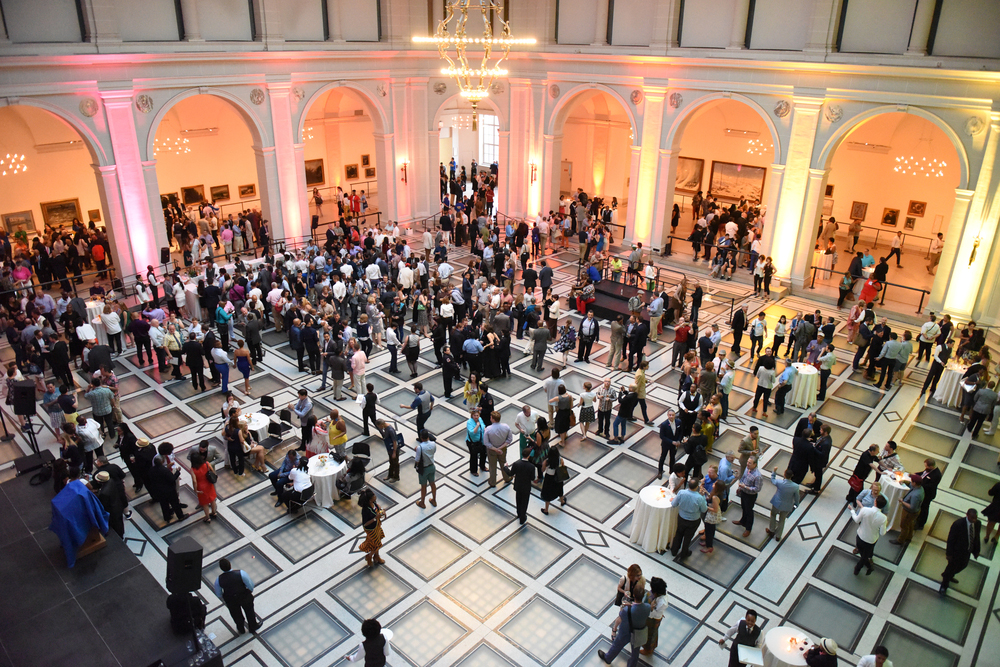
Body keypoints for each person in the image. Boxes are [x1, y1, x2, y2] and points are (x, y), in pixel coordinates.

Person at [597, 596, 651, 667]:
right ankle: (631, 665)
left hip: (626, 631)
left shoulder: (626, 610)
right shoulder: (647, 607)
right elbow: (639, 609)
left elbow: (621, 615)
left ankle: (608, 658)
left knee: (617, 644)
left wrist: (624, 608)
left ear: (634, 596)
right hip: (638, 633)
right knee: (635, 652)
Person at [213, 558, 260, 635]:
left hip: (231, 600)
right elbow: (250, 585)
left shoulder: (218, 580)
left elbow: (218, 593)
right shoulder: (241, 573)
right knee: (249, 611)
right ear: (230, 564)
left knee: (236, 615)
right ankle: (253, 626)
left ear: (221, 568)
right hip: (244, 596)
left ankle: (241, 629)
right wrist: (249, 591)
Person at [940, 509, 982, 594]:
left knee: (963, 565)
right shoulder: (958, 524)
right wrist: (949, 554)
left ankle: (949, 575)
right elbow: (951, 540)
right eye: (972, 518)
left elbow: (976, 537)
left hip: (967, 550)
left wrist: (976, 551)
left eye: (975, 518)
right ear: (967, 515)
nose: (974, 520)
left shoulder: (978, 523)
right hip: (956, 551)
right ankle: (944, 586)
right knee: (951, 568)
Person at [670, 478, 708, 559]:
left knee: (678, 534)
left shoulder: (681, 493)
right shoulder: (699, 498)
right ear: (697, 487)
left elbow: (673, 504)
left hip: (681, 518)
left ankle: (674, 550)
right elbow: (704, 509)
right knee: (688, 537)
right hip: (693, 521)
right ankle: (684, 553)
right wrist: (703, 496)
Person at [851, 495, 888, 575]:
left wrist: (852, 511)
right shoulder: (883, 518)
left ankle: (866, 566)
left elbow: (857, 520)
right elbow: (882, 533)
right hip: (871, 540)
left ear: (875, 502)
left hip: (861, 536)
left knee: (861, 551)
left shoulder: (865, 510)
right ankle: (859, 568)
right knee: (865, 555)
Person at [767, 467, 800, 542]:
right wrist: (796, 504)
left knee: (773, 515)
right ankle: (778, 536)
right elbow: (797, 497)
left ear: (784, 474)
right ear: (792, 476)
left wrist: (774, 472)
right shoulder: (795, 486)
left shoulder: (779, 482)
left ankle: (771, 530)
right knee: (782, 520)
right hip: (787, 505)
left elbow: (773, 480)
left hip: (777, 503)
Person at [891, 475, 923, 547]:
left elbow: (912, 507)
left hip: (909, 512)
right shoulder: (919, 488)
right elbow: (910, 485)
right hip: (914, 512)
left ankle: (900, 540)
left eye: (911, 482)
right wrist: (905, 481)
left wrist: (902, 501)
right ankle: (909, 537)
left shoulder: (916, 495)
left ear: (914, 483)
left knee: (904, 525)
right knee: (910, 524)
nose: (911, 483)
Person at [733, 456, 761, 537]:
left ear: (755, 464)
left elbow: (757, 489)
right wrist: (740, 487)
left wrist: (745, 487)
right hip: (744, 492)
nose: (747, 464)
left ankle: (748, 528)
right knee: (743, 507)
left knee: (749, 511)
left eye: (750, 463)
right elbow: (743, 478)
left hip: (750, 496)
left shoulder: (757, 476)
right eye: (748, 462)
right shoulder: (747, 469)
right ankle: (742, 521)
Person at [508, 444, 536, 524]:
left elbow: (511, 473)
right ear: (528, 456)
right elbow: (532, 478)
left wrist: (505, 468)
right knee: (524, 502)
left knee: (518, 500)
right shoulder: (531, 466)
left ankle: (519, 513)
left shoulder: (516, 464)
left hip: (518, 485)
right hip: (526, 487)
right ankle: (522, 517)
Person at [358, 488, 386, 568]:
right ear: (370, 500)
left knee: (376, 542)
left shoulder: (374, 503)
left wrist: (381, 510)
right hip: (370, 529)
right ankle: (369, 556)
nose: (375, 496)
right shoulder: (365, 510)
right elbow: (365, 524)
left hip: (376, 526)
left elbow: (378, 507)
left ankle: (376, 556)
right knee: (377, 544)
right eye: (373, 495)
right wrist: (375, 518)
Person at [914, 457, 942, 530]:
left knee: (924, 508)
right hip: (923, 491)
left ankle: (921, 524)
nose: (925, 468)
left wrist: (919, 484)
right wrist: (915, 475)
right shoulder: (928, 470)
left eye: (926, 466)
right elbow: (923, 474)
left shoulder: (937, 475)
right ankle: (917, 519)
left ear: (931, 466)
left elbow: (931, 486)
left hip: (928, 494)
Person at [189, 452, 218, 523]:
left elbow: (194, 481)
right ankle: (214, 512)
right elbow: (212, 471)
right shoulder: (206, 464)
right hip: (209, 484)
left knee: (205, 503)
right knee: (212, 499)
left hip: (201, 487)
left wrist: (195, 490)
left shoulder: (192, 469)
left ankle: (207, 517)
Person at [540, 440, 566, 514]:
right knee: (560, 490)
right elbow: (562, 466)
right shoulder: (560, 460)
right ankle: (562, 501)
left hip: (549, 478)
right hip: (558, 477)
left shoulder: (547, 461)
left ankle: (546, 509)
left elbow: (542, 470)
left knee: (548, 493)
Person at [414, 429, 437, 508]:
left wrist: (416, 450)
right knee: (432, 483)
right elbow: (433, 452)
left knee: (423, 486)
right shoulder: (433, 444)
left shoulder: (420, 447)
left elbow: (417, 460)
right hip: (432, 466)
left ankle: (422, 503)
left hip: (424, 469)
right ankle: (434, 500)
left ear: (421, 437)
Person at [657, 409, 683, 477]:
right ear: (667, 415)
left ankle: (671, 470)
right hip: (666, 444)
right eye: (670, 415)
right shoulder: (664, 424)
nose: (671, 416)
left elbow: (681, 432)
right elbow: (662, 436)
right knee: (663, 457)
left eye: (673, 415)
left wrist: (679, 440)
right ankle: (660, 471)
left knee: (672, 457)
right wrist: (671, 442)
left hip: (674, 445)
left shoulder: (678, 422)